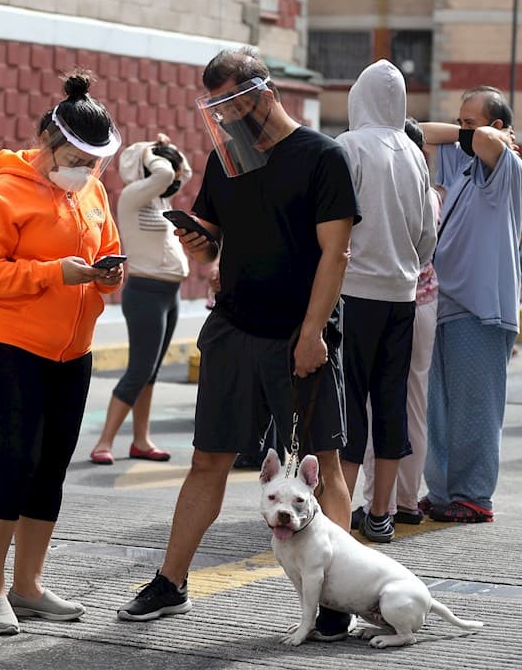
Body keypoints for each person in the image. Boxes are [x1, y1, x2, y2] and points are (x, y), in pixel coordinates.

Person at [117, 47, 358, 641]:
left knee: (321, 466)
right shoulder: (228, 160)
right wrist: (201, 246)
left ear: (261, 92)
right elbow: (218, 242)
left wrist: (310, 334)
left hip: (299, 336)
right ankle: (170, 582)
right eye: (214, 107)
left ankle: (336, 597)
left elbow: (337, 253)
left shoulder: (321, 157)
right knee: (208, 460)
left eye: (229, 104)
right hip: (235, 329)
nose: (222, 119)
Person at [0, 71, 124, 635]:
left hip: (72, 353)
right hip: (8, 347)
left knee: (51, 468)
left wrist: (108, 275)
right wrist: (52, 273)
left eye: (96, 160)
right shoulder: (2, 192)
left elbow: (105, 248)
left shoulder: (93, 190)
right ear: (49, 143)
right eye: (79, 157)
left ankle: (28, 585)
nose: (88, 169)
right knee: (16, 460)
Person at [335, 61, 436, 544]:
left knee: (349, 403)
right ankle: (382, 515)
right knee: (391, 400)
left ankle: (339, 513)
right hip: (402, 297)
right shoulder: (415, 155)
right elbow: (426, 235)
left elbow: (331, 222)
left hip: (353, 292)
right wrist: (406, 266)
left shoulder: (349, 146)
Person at [419, 85, 522, 523]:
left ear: (499, 127)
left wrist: (489, 136)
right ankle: (443, 491)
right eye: (460, 121)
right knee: (439, 408)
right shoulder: (463, 164)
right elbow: (422, 133)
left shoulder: (509, 167)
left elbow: (483, 141)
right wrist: (470, 131)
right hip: (443, 302)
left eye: (471, 121)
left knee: (475, 407)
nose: (463, 131)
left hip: (481, 308)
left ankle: (475, 496)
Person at [356, 117, 441, 531]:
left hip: (384, 301)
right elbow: (427, 245)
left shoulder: (377, 182)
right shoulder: (426, 190)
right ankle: (406, 501)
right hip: (422, 300)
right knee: (412, 404)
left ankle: (378, 502)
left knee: (376, 406)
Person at [89, 134, 192, 465]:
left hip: (169, 294)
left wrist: (169, 147)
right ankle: (104, 442)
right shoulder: (134, 196)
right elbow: (165, 175)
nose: (173, 176)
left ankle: (141, 440)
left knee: (152, 371)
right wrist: (149, 152)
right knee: (139, 369)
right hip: (146, 293)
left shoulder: (162, 200)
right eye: (166, 167)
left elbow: (182, 173)